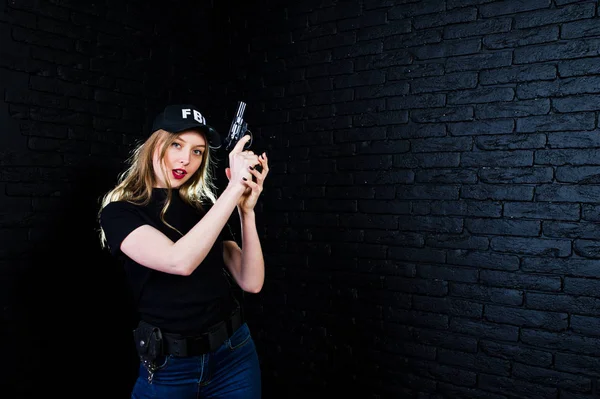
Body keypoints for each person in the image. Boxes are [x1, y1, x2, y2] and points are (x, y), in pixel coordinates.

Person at [97, 103, 269, 399]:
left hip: (234, 355)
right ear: (155, 145)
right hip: (171, 368)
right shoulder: (120, 212)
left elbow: (251, 281)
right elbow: (179, 261)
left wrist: (246, 212)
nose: (185, 159)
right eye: (176, 144)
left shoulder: (204, 208)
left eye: (197, 151)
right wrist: (232, 190)